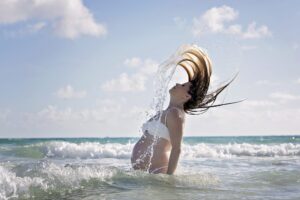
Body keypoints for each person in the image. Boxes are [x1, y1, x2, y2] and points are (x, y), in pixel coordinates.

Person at [131, 45, 241, 175]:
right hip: (146, 176)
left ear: (187, 96)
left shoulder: (175, 114)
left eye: (183, 85)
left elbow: (177, 149)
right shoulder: (167, 112)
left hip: (157, 174)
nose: (177, 84)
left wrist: (169, 179)